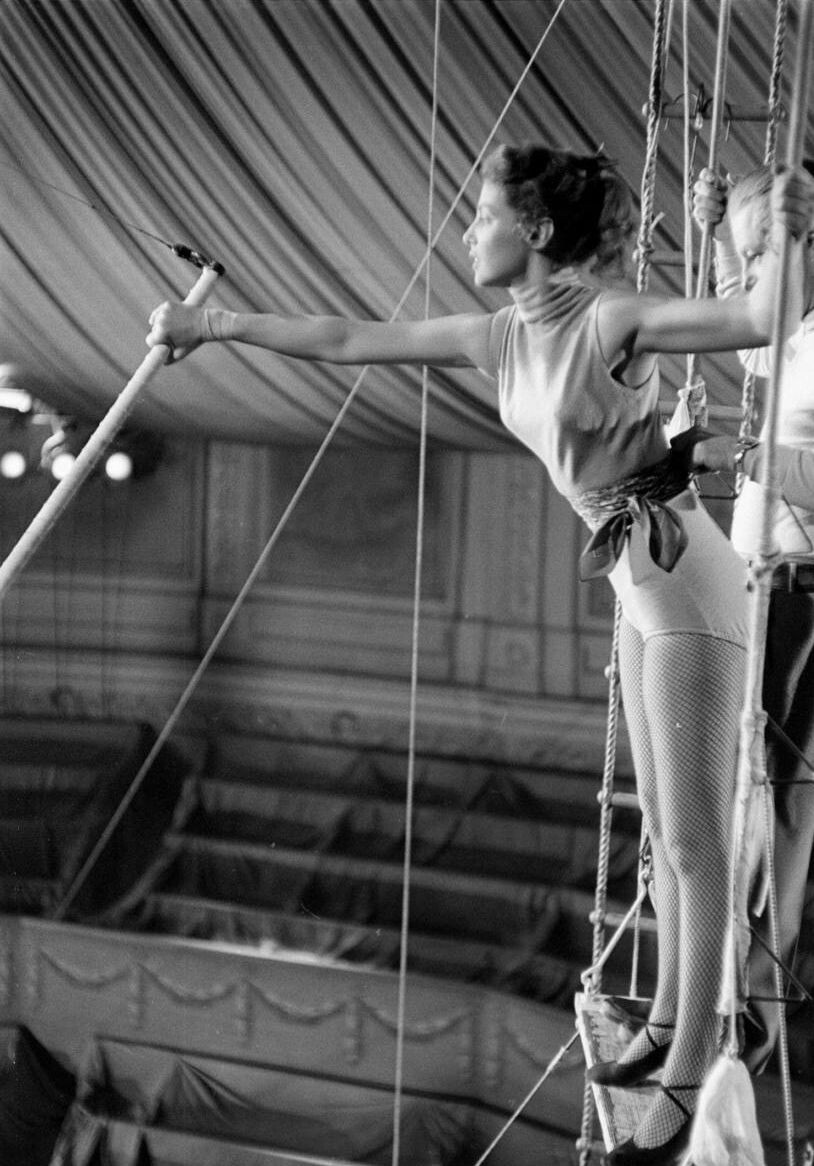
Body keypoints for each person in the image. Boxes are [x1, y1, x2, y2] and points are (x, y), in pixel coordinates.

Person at [146, 144, 810, 1164]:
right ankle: (664, 1019)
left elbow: (761, 319)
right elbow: (346, 339)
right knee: (662, 831)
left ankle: (690, 1068)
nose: (467, 233)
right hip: (637, 582)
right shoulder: (495, 334)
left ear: (535, 232)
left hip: (686, 580)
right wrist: (213, 326)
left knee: (691, 843)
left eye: (484, 216)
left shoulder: (612, 320)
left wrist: (788, 233)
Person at [692, 159, 814, 1076]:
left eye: (759, 255)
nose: (749, 276)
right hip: (760, 579)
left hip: (799, 587)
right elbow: (743, 317)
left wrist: (756, 462)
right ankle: (729, 983)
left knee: (778, 794)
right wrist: (714, 237)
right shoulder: (782, 331)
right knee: (751, 786)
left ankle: (752, 999)